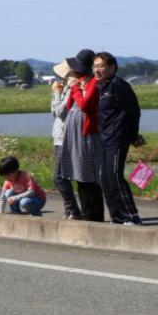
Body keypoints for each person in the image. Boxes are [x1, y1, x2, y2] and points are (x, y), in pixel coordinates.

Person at [93, 52, 144, 224]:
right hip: (103, 139)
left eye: (101, 66)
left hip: (117, 138)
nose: (97, 69)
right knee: (105, 179)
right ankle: (117, 217)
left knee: (115, 176)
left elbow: (133, 111)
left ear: (112, 67)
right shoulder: (101, 87)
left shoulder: (119, 85)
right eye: (95, 66)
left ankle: (131, 216)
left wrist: (133, 135)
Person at [62, 49, 104, 222]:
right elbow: (70, 105)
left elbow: (85, 106)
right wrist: (72, 88)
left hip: (87, 134)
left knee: (89, 177)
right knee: (79, 176)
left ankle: (94, 215)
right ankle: (87, 213)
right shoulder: (81, 83)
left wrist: (75, 88)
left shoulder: (94, 83)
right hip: (76, 134)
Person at [49, 61, 82, 219]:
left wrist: (57, 93)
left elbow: (61, 113)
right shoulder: (65, 89)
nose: (60, 79)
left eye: (64, 76)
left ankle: (73, 211)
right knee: (62, 177)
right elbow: (54, 112)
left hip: (65, 138)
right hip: (58, 138)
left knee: (59, 177)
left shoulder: (73, 89)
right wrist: (57, 93)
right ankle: (70, 211)